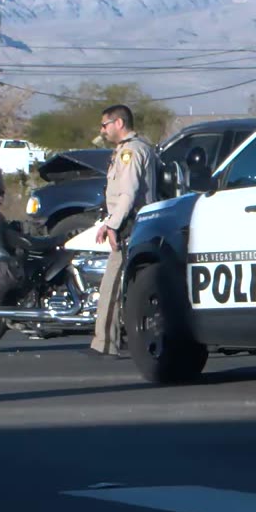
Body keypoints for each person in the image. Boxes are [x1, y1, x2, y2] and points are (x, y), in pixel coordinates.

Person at [91, 104, 160, 356]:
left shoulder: (129, 152)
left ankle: (105, 343)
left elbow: (128, 193)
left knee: (112, 286)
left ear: (119, 123)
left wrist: (113, 224)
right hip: (138, 223)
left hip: (130, 225)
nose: (103, 130)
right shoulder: (138, 147)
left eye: (105, 125)